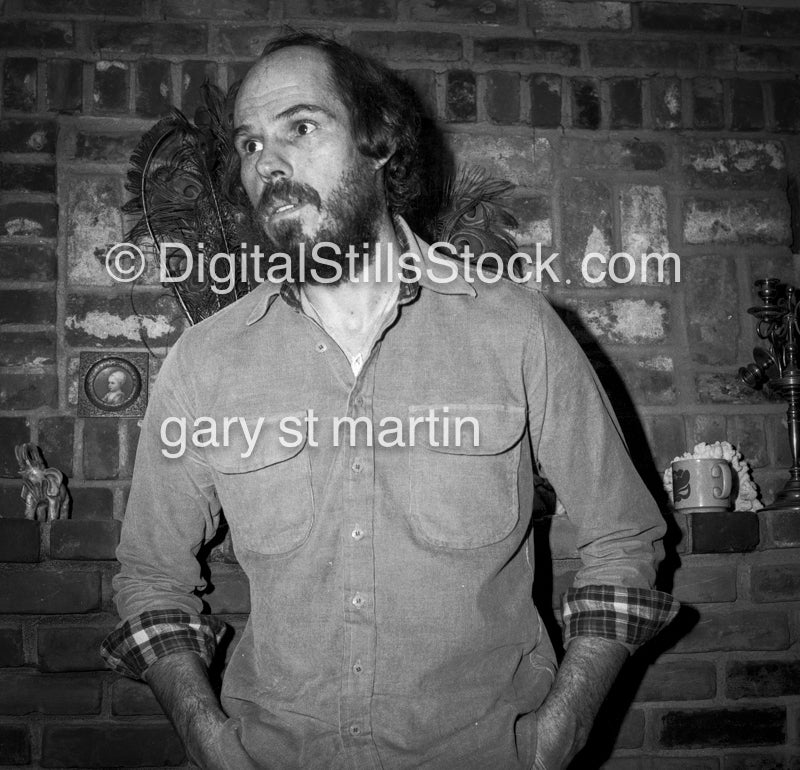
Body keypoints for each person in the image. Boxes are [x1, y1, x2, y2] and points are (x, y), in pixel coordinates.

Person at [102, 32, 679, 770]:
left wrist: (559, 732)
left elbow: (625, 542)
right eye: (249, 145)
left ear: (379, 145)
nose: (267, 162)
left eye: (300, 129)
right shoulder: (205, 362)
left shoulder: (515, 328)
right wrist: (207, 736)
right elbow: (151, 579)